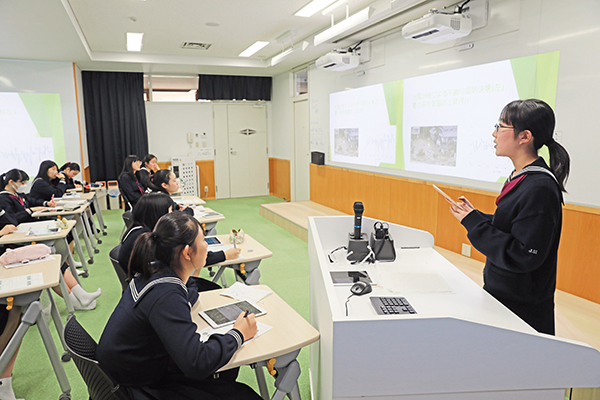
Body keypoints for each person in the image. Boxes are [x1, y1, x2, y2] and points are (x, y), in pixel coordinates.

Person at [96, 212, 261, 400]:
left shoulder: (154, 271)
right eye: (203, 240)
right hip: (139, 387)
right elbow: (196, 363)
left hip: (132, 370)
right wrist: (238, 333)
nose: (207, 245)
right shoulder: (166, 295)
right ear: (187, 252)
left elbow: (187, 290)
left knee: (225, 370)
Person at [448, 99, 570, 335]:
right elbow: (512, 228)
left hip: (522, 308)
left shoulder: (540, 187)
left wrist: (475, 224)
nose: (494, 134)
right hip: (504, 295)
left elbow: (524, 255)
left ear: (524, 137)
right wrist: (473, 216)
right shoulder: (520, 177)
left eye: (500, 126)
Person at [0, 169, 101, 310]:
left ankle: (81, 295)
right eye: (21, 182)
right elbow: (13, 219)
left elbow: (30, 201)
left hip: (21, 237)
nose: (24, 185)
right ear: (11, 182)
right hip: (11, 248)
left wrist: (45, 204)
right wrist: (29, 211)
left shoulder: (17, 195)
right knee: (48, 263)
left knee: (55, 259)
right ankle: (75, 302)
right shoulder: (3, 198)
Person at [118, 193, 240, 286]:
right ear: (158, 214)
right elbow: (187, 256)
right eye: (170, 211)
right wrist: (225, 255)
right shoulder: (151, 239)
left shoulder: (138, 231)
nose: (173, 215)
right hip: (163, 285)